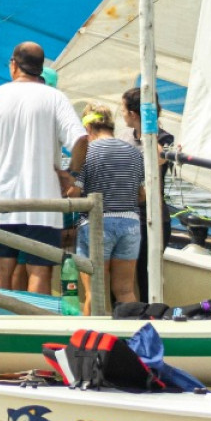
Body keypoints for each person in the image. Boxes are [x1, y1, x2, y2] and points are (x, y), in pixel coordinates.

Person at [0, 42, 87, 295]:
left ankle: (0, 325)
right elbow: (81, 140)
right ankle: (35, 327)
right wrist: (72, 177)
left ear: (13, 64)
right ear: (40, 68)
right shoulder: (55, 98)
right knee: (39, 273)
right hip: (43, 203)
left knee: (0, 272)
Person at [73, 104, 144, 308]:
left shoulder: (88, 152)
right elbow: (142, 194)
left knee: (93, 294)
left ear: (88, 128)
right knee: (125, 291)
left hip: (96, 224)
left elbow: (74, 193)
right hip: (130, 224)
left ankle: (88, 340)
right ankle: (131, 337)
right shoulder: (133, 152)